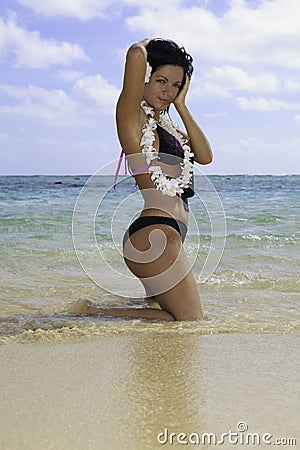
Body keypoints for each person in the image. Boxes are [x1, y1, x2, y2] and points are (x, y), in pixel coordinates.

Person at [70, 38, 213, 321]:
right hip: (157, 233)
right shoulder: (133, 120)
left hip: (167, 233)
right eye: (161, 80)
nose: (168, 91)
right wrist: (150, 44)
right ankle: (91, 312)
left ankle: (97, 316)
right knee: (190, 320)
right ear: (146, 77)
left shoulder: (167, 127)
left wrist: (182, 105)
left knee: (164, 317)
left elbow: (205, 155)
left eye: (175, 85)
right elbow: (136, 54)